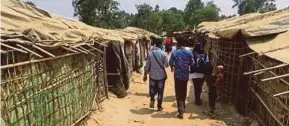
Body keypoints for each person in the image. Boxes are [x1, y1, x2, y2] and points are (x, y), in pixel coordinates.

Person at [169, 35, 195, 119]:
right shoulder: (188, 52)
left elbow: (171, 62)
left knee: (178, 92)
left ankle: (180, 111)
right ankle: (183, 105)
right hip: (185, 75)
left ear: (178, 43)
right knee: (184, 90)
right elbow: (192, 63)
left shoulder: (174, 52)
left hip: (177, 75)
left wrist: (173, 67)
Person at [143, 37, 169, 111]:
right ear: (160, 45)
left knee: (152, 88)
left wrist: (145, 74)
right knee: (160, 91)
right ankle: (159, 106)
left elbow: (147, 65)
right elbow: (167, 65)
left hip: (152, 75)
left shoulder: (150, 53)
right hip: (161, 76)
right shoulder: (163, 53)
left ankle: (152, 99)